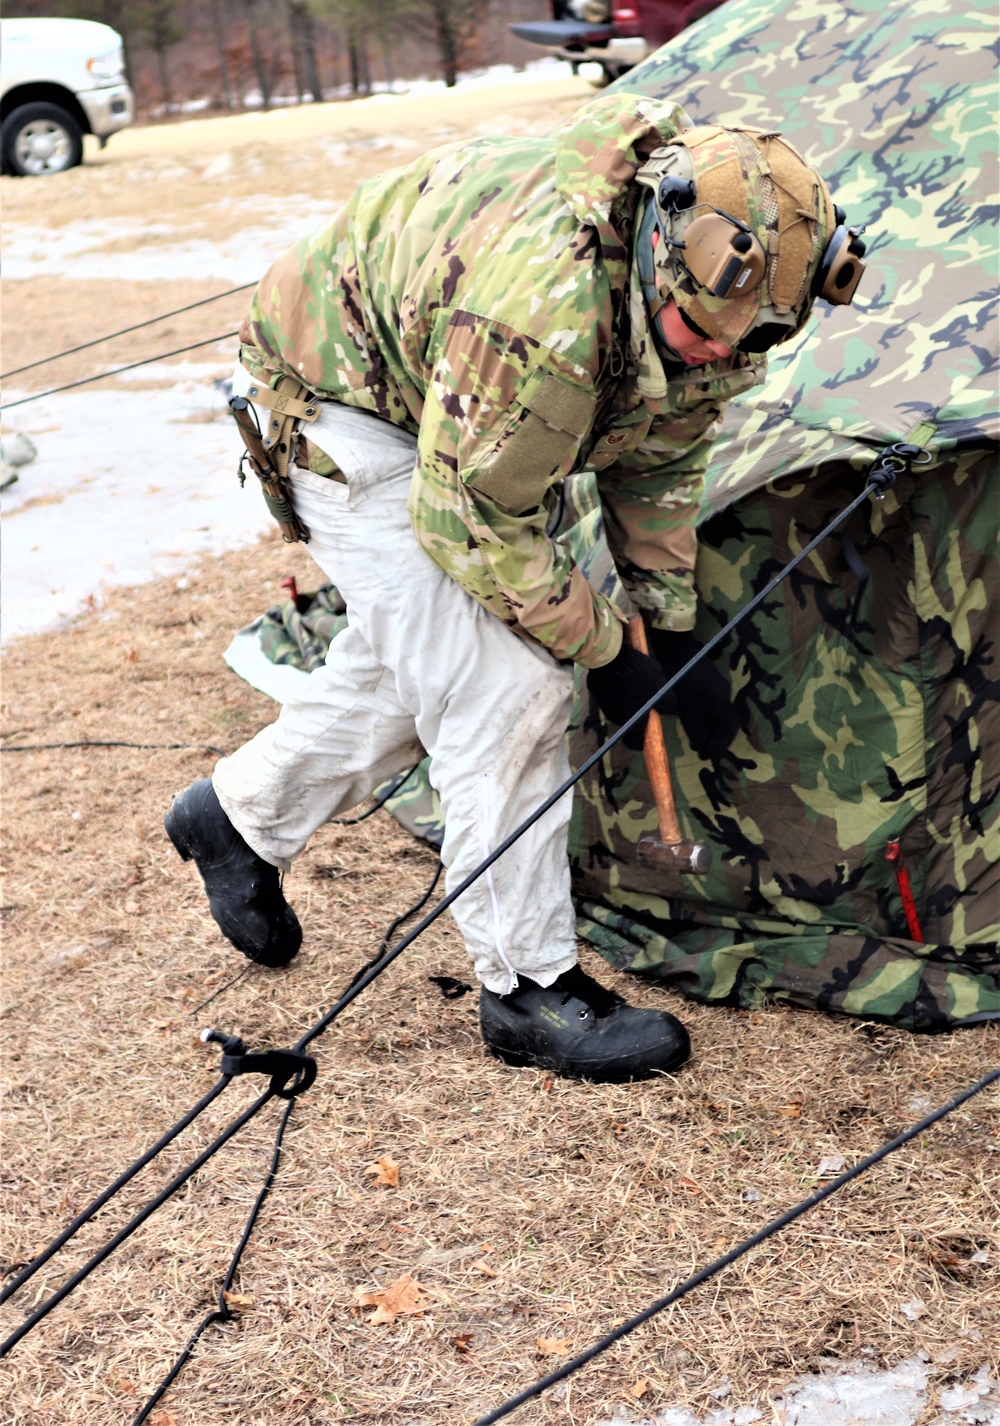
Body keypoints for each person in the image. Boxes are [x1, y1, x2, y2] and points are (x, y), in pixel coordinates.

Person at [165, 91, 865, 1083]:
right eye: (701, 329)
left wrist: (660, 630)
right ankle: (528, 990)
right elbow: (471, 522)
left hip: (451, 414)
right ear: (662, 245)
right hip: (343, 414)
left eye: (745, 341)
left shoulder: (718, 301)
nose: (717, 353)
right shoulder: (548, 311)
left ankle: (235, 819)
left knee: (430, 658)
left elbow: (659, 457)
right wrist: (606, 648)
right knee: (510, 687)